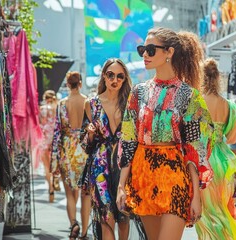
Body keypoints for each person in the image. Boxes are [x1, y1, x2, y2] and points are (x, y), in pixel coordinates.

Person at [116, 27, 214, 240]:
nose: (144, 55)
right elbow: (128, 140)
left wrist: (196, 196)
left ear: (169, 52)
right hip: (143, 176)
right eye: (142, 49)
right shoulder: (139, 92)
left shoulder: (189, 95)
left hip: (174, 176)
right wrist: (121, 186)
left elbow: (195, 149)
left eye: (151, 49)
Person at [79, 59, 132, 240]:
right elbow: (84, 144)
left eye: (120, 76)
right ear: (104, 76)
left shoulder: (130, 103)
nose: (114, 80)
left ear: (124, 79)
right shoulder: (91, 104)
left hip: (125, 165)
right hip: (100, 166)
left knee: (124, 216)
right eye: (110, 75)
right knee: (105, 215)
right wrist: (91, 135)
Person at [195, 58, 236, 240]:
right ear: (218, 78)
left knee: (206, 215)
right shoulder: (229, 105)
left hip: (204, 162)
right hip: (225, 162)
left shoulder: (197, 102)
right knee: (224, 210)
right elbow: (232, 138)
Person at [51, 72, 91, 240]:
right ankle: (83, 233)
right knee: (85, 193)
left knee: (70, 193)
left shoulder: (61, 104)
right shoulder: (88, 102)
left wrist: (54, 160)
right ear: (80, 84)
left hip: (67, 151)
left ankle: (74, 223)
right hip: (84, 150)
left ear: (67, 85)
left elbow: (57, 134)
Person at [38, 90, 58, 202]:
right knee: (55, 164)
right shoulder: (57, 108)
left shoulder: (42, 109)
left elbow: (41, 124)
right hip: (55, 139)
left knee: (46, 167)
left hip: (44, 138)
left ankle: (50, 188)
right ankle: (55, 180)